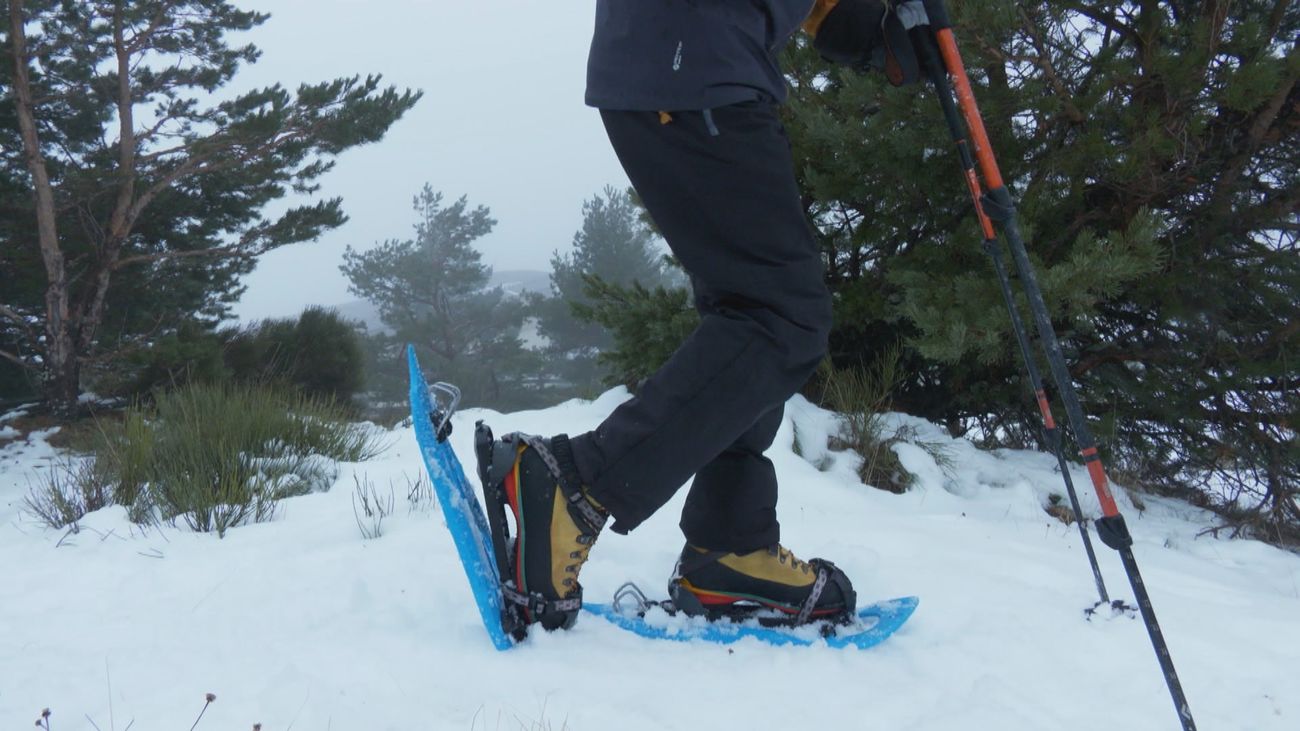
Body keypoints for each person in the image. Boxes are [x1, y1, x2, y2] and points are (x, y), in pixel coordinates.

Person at [476, 0, 917, 632]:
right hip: (696, 58)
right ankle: (577, 487)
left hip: (691, 61)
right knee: (779, 317)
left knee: (752, 308)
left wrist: (850, 22)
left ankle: (729, 545)